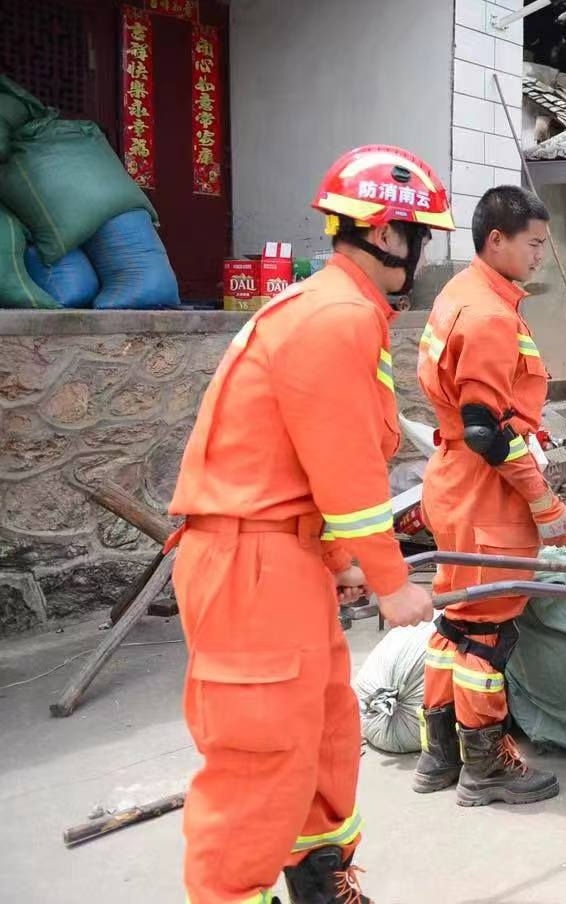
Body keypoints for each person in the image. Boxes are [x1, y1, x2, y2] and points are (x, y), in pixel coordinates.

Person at [168, 145, 452, 904]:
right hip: (250, 568)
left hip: (279, 562)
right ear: (388, 235)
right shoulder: (334, 316)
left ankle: (323, 884)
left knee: (324, 736)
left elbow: (298, 464)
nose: (421, 252)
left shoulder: (334, 309)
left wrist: (339, 560)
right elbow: (345, 467)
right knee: (259, 760)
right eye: (418, 235)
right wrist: (392, 583)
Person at [413, 185, 566, 808]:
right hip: (488, 497)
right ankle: (486, 769)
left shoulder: (460, 292)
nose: (540, 255)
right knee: (486, 636)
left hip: (452, 485)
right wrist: (543, 503)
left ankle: (440, 757)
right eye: (534, 244)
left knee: (454, 622)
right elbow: (486, 430)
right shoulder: (488, 315)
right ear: (496, 240)